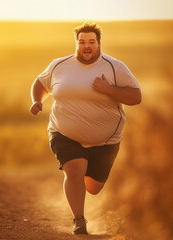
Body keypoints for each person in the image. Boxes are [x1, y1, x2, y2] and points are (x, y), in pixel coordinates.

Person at [29, 22, 141, 235]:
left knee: (93, 188)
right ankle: (79, 220)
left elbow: (136, 97)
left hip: (106, 141)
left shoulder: (114, 67)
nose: (86, 46)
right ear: (76, 44)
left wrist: (108, 89)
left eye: (91, 42)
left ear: (99, 44)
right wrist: (37, 101)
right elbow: (40, 84)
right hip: (63, 132)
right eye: (82, 42)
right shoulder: (59, 65)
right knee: (74, 169)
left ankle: (85, 191)